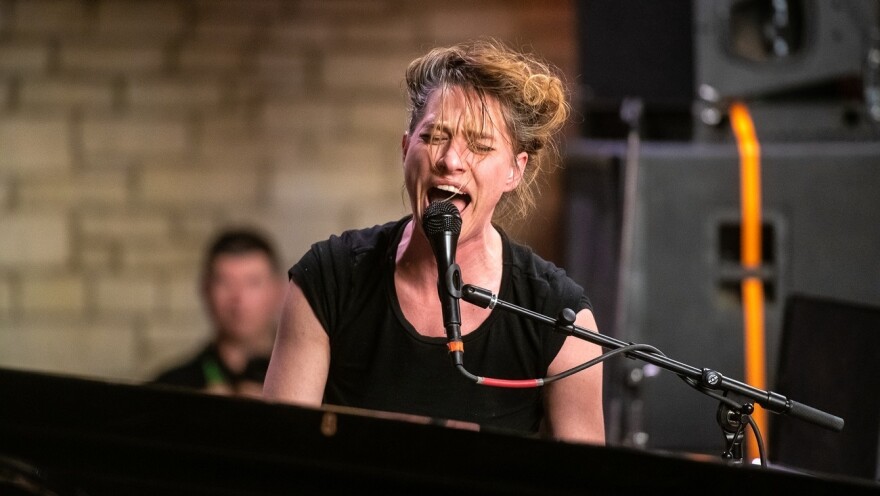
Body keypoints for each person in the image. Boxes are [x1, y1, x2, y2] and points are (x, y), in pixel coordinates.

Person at [263, 38, 605, 445]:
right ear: (406, 147)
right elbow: (276, 454)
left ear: (515, 170)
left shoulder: (559, 317)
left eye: (479, 146)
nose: (451, 161)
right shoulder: (328, 279)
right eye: (434, 137)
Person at [152, 227, 285, 398]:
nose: (238, 298)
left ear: (279, 290)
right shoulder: (170, 389)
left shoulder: (316, 385)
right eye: (225, 283)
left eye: (253, 283)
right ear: (205, 290)